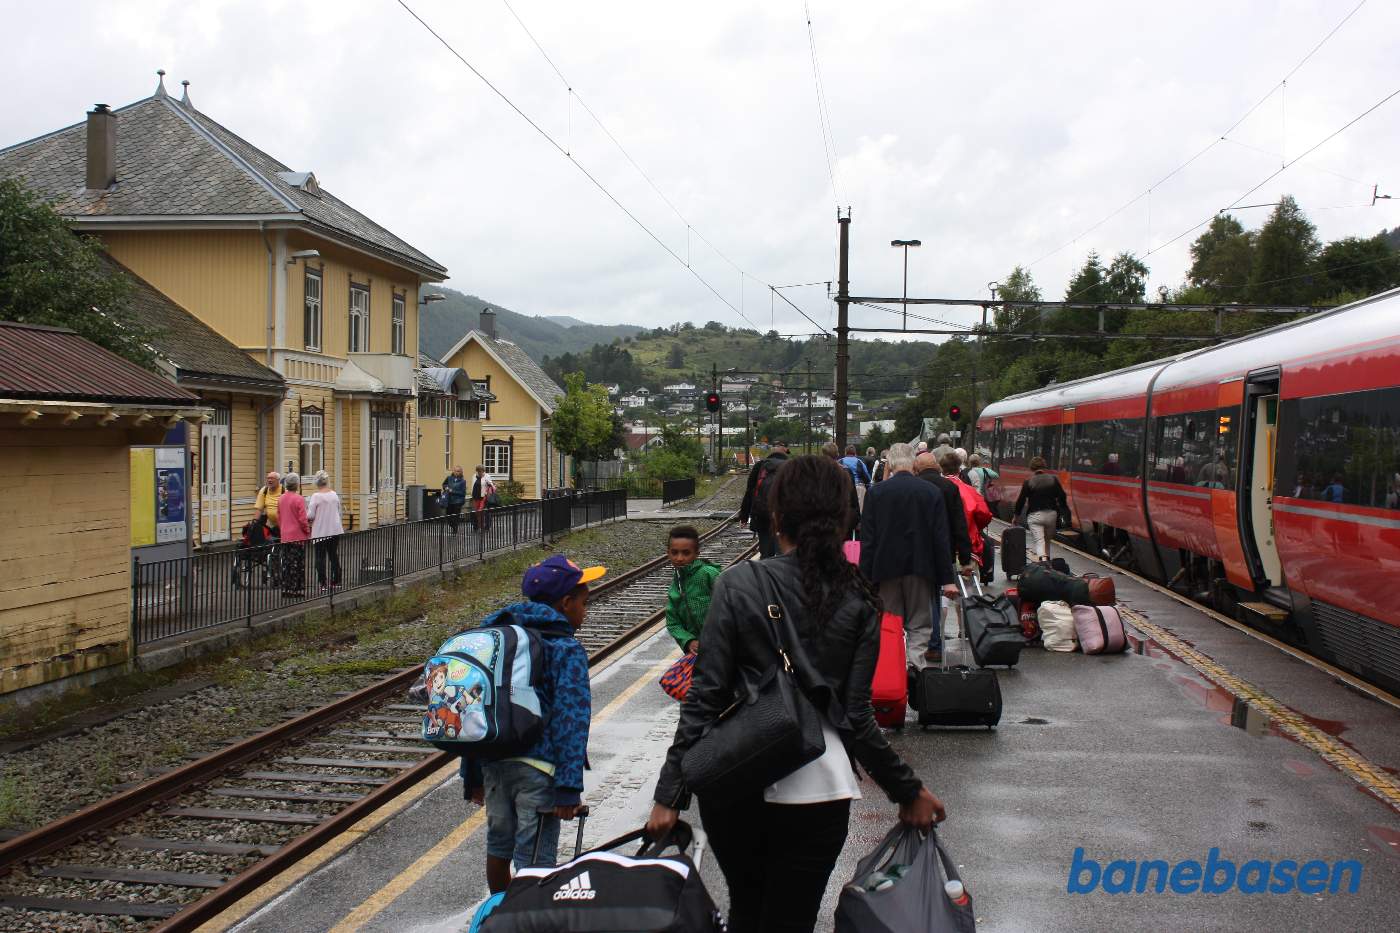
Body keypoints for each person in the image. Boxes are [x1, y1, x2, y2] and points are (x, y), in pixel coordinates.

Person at [647, 455, 945, 933]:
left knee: (748, 907)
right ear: (845, 519)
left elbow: (704, 697)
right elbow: (856, 716)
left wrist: (670, 795)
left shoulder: (738, 584)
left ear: (777, 517)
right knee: (793, 918)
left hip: (736, 778)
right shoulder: (859, 596)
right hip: (820, 788)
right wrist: (906, 790)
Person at [461, 554, 603, 893]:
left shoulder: (496, 638)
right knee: (535, 863)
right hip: (540, 770)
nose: (585, 611)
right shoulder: (565, 648)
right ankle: (528, 919)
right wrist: (569, 787)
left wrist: (472, 773)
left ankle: (498, 913)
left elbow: (473, 707)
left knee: (498, 849)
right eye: (584, 603)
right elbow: (572, 718)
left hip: (494, 763)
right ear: (566, 603)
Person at [860, 443, 956, 669]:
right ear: (914, 463)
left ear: (890, 464)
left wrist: (863, 579)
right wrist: (948, 579)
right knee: (920, 625)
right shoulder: (931, 492)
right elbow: (940, 539)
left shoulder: (876, 493)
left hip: (885, 570)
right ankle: (916, 668)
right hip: (921, 568)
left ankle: (892, 670)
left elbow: (868, 540)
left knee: (889, 624)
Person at [665, 525, 722, 654]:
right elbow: (673, 622)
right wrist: (688, 641)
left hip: (722, 647)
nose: (679, 558)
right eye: (674, 552)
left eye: (686, 553)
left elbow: (732, 606)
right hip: (697, 652)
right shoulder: (676, 584)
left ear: (697, 554)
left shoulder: (708, 574)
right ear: (668, 553)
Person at [739, 440, 790, 558]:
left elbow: (750, 492)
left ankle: (766, 571)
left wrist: (744, 516)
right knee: (783, 554)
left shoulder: (760, 465)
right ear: (785, 453)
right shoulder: (791, 466)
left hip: (761, 515)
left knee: (766, 552)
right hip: (784, 516)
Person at [943, 453, 993, 572]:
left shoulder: (934, 488)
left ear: (942, 469)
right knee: (969, 588)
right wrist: (974, 526)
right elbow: (985, 514)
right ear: (959, 469)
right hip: (968, 547)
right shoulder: (969, 490)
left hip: (942, 548)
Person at [1014, 456, 1070, 561]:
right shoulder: (1053, 480)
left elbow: (1021, 501)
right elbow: (1062, 496)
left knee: (1040, 542)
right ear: (1044, 466)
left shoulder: (1029, 482)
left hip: (1035, 516)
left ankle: (1043, 564)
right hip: (1051, 515)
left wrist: (1016, 516)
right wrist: (1064, 512)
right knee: (1046, 541)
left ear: (1032, 467)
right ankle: (1047, 565)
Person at [307, 471, 343, 590]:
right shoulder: (334, 494)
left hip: (321, 531)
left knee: (320, 557)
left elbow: (310, 515)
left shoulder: (316, 496)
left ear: (317, 482)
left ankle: (323, 583)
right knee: (333, 555)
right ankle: (337, 580)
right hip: (335, 529)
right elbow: (339, 511)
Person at [276, 472, 311, 597]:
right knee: (297, 562)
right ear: (297, 485)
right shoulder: (299, 499)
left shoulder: (281, 498)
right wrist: (307, 531)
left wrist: (283, 528)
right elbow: (303, 519)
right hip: (297, 536)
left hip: (285, 535)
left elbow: (278, 516)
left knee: (286, 562)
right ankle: (295, 589)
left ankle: (286, 587)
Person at [822, 442, 861, 538]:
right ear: (837, 454)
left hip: (823, 517)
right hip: (842, 515)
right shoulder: (845, 471)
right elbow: (853, 498)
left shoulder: (817, 471)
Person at [838, 444, 873, 512]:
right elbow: (867, 477)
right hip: (858, 487)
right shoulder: (859, 462)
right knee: (860, 510)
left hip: (844, 488)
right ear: (855, 453)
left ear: (845, 452)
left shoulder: (840, 461)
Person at [253, 470, 283, 541]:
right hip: (270, 525)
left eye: (272, 478)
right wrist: (254, 524)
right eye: (268, 478)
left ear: (278, 480)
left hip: (283, 525)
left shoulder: (284, 490)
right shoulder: (264, 490)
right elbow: (259, 509)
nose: (269, 480)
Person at [441, 465, 467, 533]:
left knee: (456, 516)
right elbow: (444, 484)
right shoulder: (449, 478)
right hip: (449, 500)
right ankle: (452, 525)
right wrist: (445, 487)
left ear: (461, 472)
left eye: (458, 471)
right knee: (448, 515)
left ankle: (455, 528)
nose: (456, 472)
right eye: (455, 471)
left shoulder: (463, 481)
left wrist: (452, 491)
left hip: (458, 501)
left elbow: (462, 493)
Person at [470, 466, 489, 531]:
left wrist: (488, 489)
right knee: (476, 512)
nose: (480, 472)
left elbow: (491, 485)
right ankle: (478, 525)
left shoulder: (487, 476)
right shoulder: (474, 476)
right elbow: (473, 485)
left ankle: (482, 526)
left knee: (480, 511)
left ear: (483, 471)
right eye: (478, 471)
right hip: (475, 496)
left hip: (483, 497)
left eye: (481, 471)